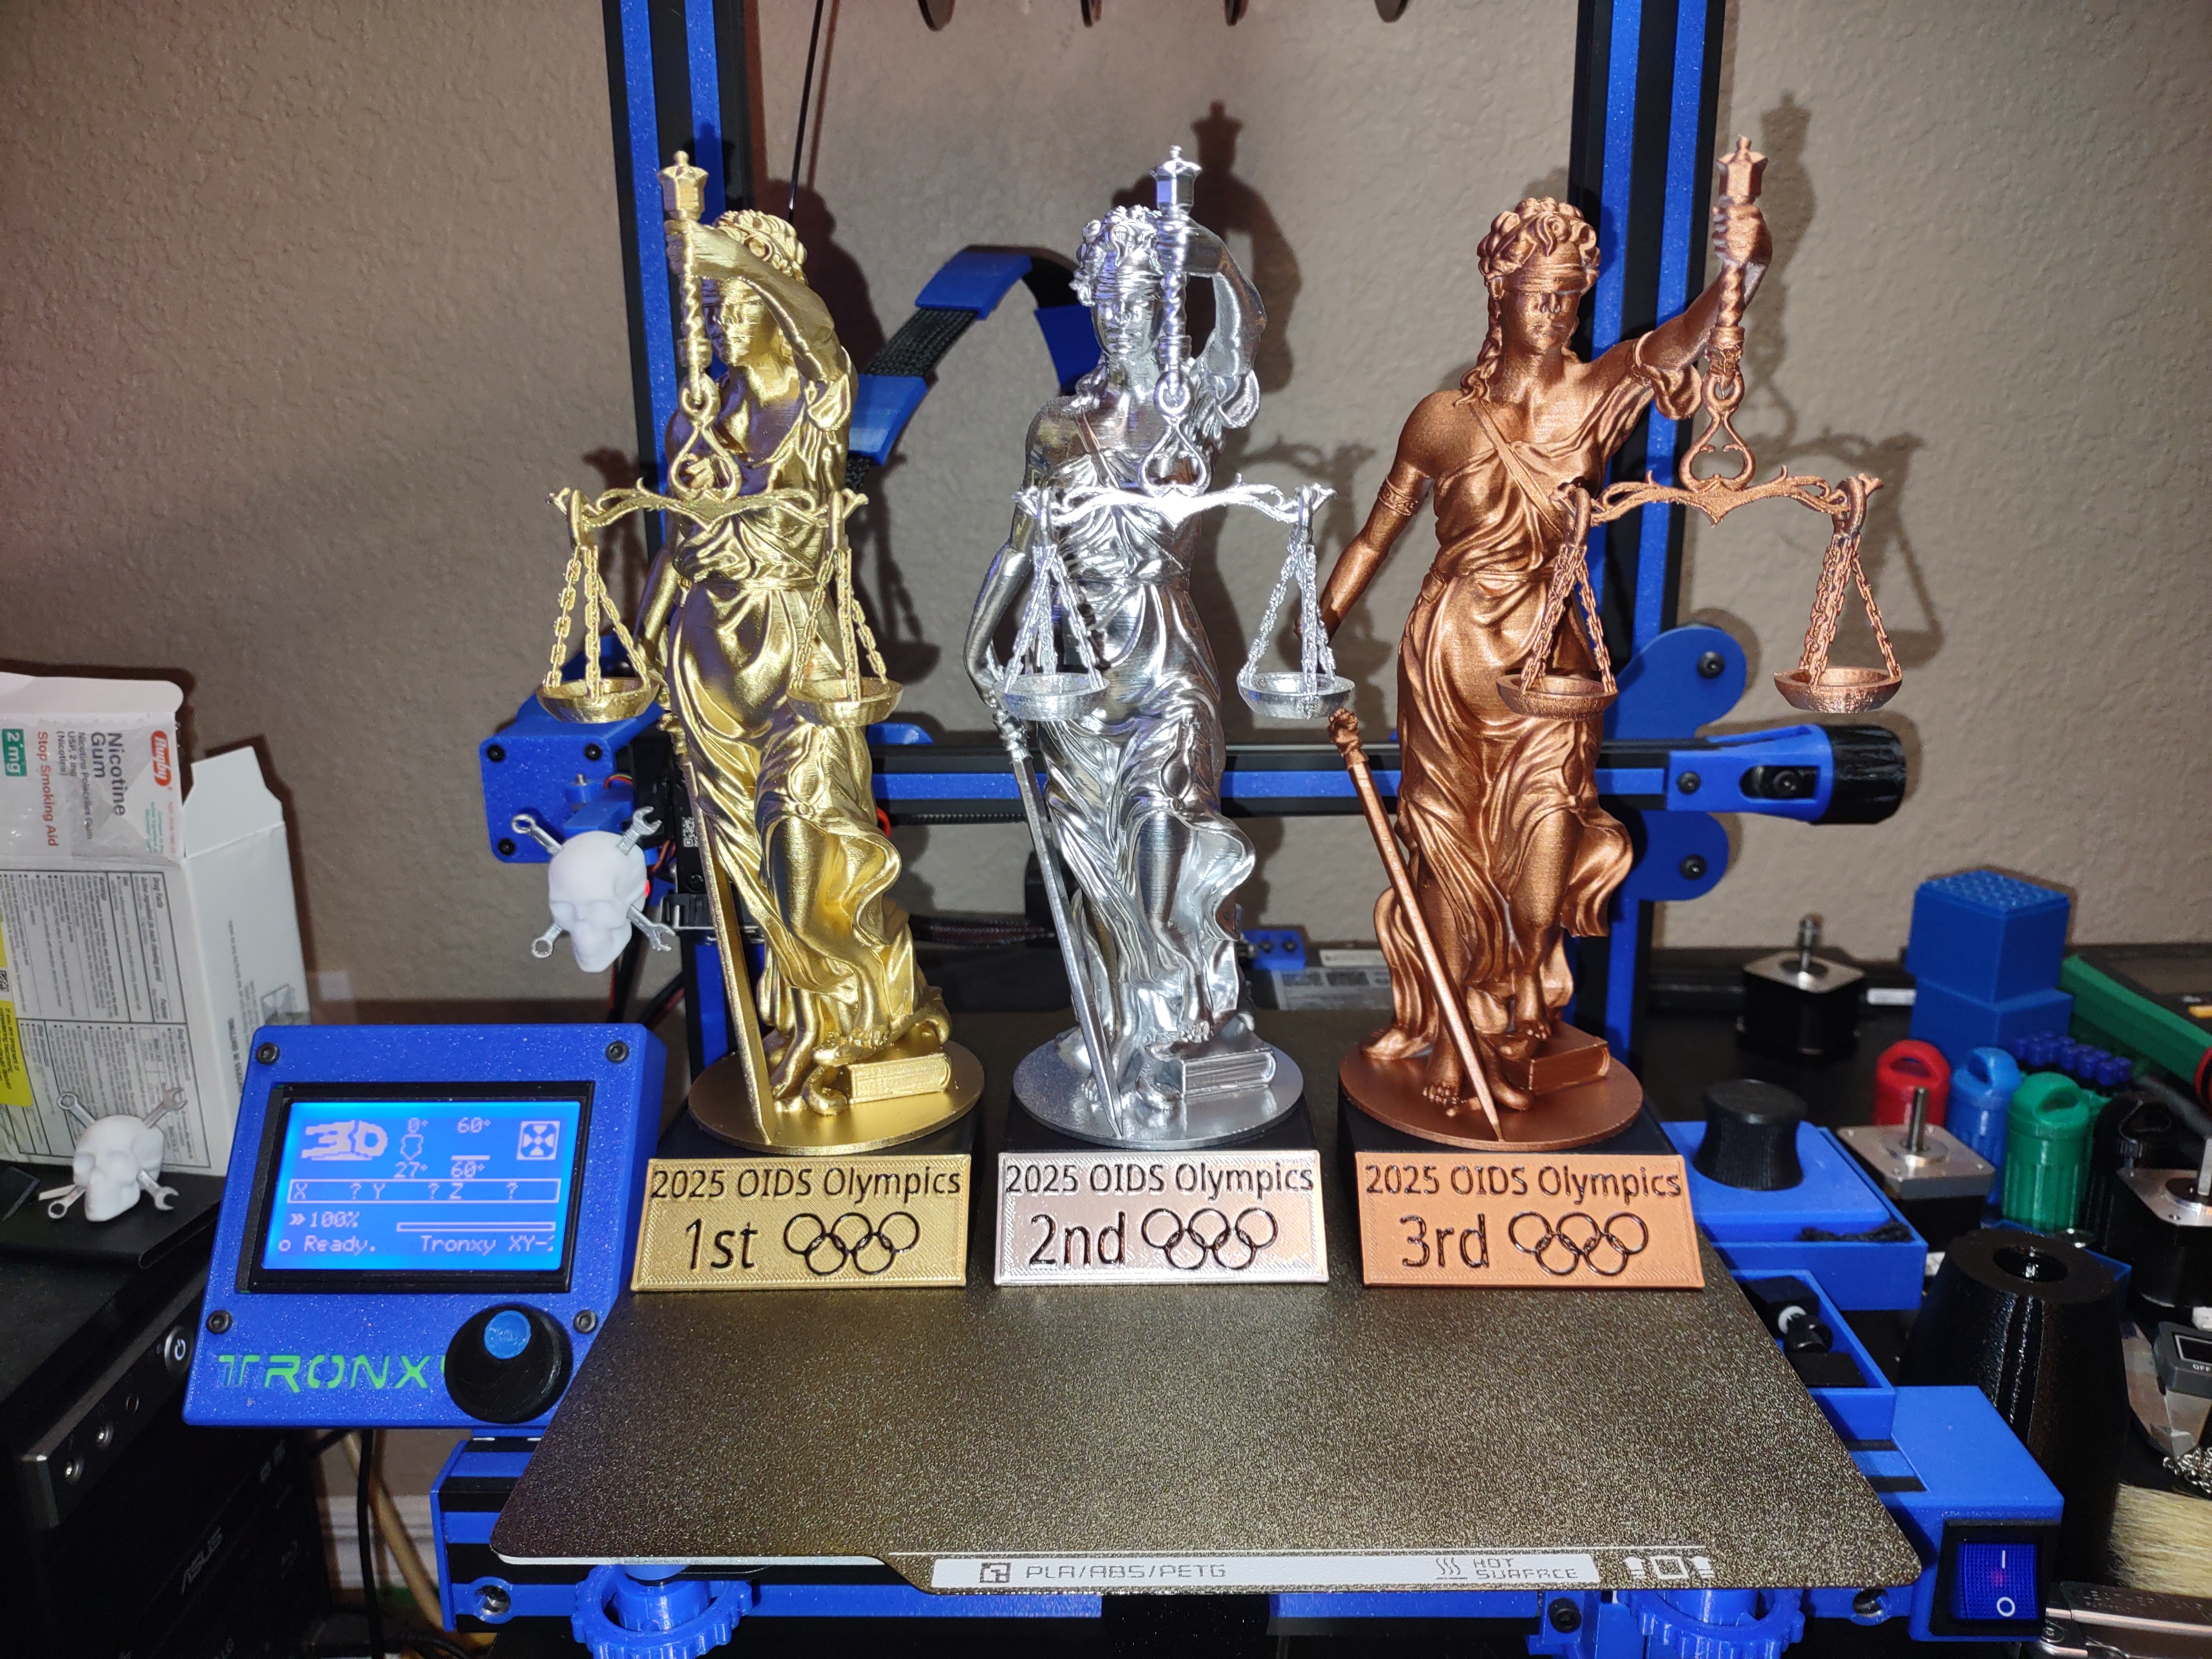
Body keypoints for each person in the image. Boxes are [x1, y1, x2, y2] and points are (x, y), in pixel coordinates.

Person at [1318, 192, 1770, 1110]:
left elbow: (1678, 344)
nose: (1556, 313)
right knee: (1448, 845)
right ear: (1500, 291)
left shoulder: (1596, 393)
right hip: (1450, 655)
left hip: (1551, 657)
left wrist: (1742, 270)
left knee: (1546, 830)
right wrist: (1312, 626)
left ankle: (1525, 993)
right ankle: (1452, 1033)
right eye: (1539, 296)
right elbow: (1376, 537)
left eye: (1570, 297)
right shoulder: (1443, 419)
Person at [635, 211, 945, 1115]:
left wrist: (732, 257)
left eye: (739, 306)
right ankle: (812, 1026)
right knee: (757, 878)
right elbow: (678, 540)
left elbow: (817, 330)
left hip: (801, 669)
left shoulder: (816, 400)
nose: (725, 326)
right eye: (715, 309)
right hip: (710, 668)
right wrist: (642, 640)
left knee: (807, 855)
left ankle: (865, 1012)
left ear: (774, 306)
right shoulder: (705, 420)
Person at [963, 205, 1266, 1115]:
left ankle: (1184, 1022)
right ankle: (1126, 1030)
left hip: (1167, 666)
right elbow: (1022, 547)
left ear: (1163, 307)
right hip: (1081, 677)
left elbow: (1244, 337)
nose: (1122, 320)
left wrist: (1211, 260)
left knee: (1164, 828)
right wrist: (981, 645)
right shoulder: (1059, 427)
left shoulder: (1184, 413)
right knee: (1098, 874)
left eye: (1140, 302)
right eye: (1108, 303)